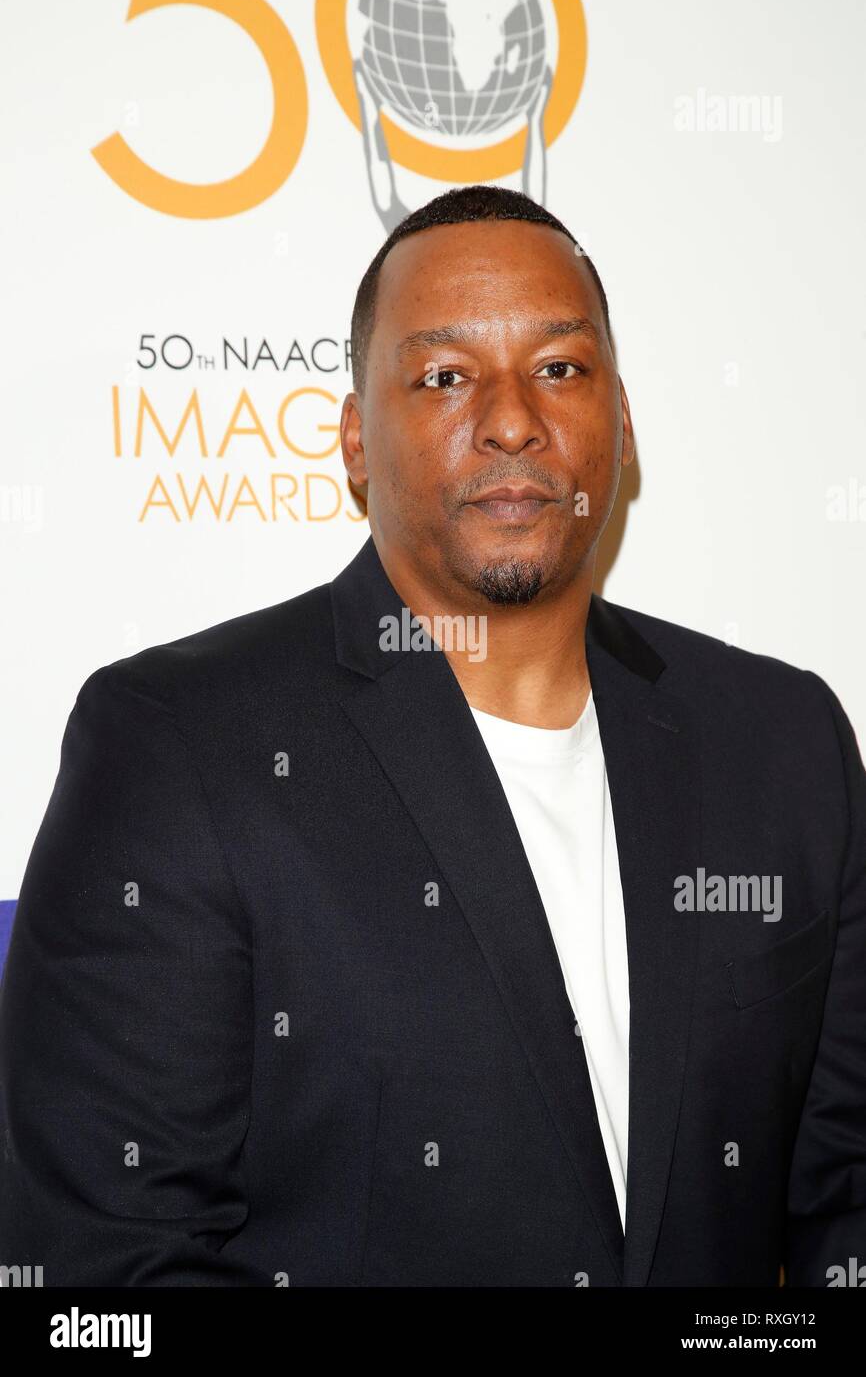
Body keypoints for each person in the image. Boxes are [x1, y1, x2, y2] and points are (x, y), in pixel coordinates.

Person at [1, 185, 863, 1287]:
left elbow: (844, 1191)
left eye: (558, 367)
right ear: (356, 441)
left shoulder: (783, 740)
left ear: (624, 422)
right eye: (445, 377)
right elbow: (107, 1266)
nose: (511, 419)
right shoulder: (175, 744)